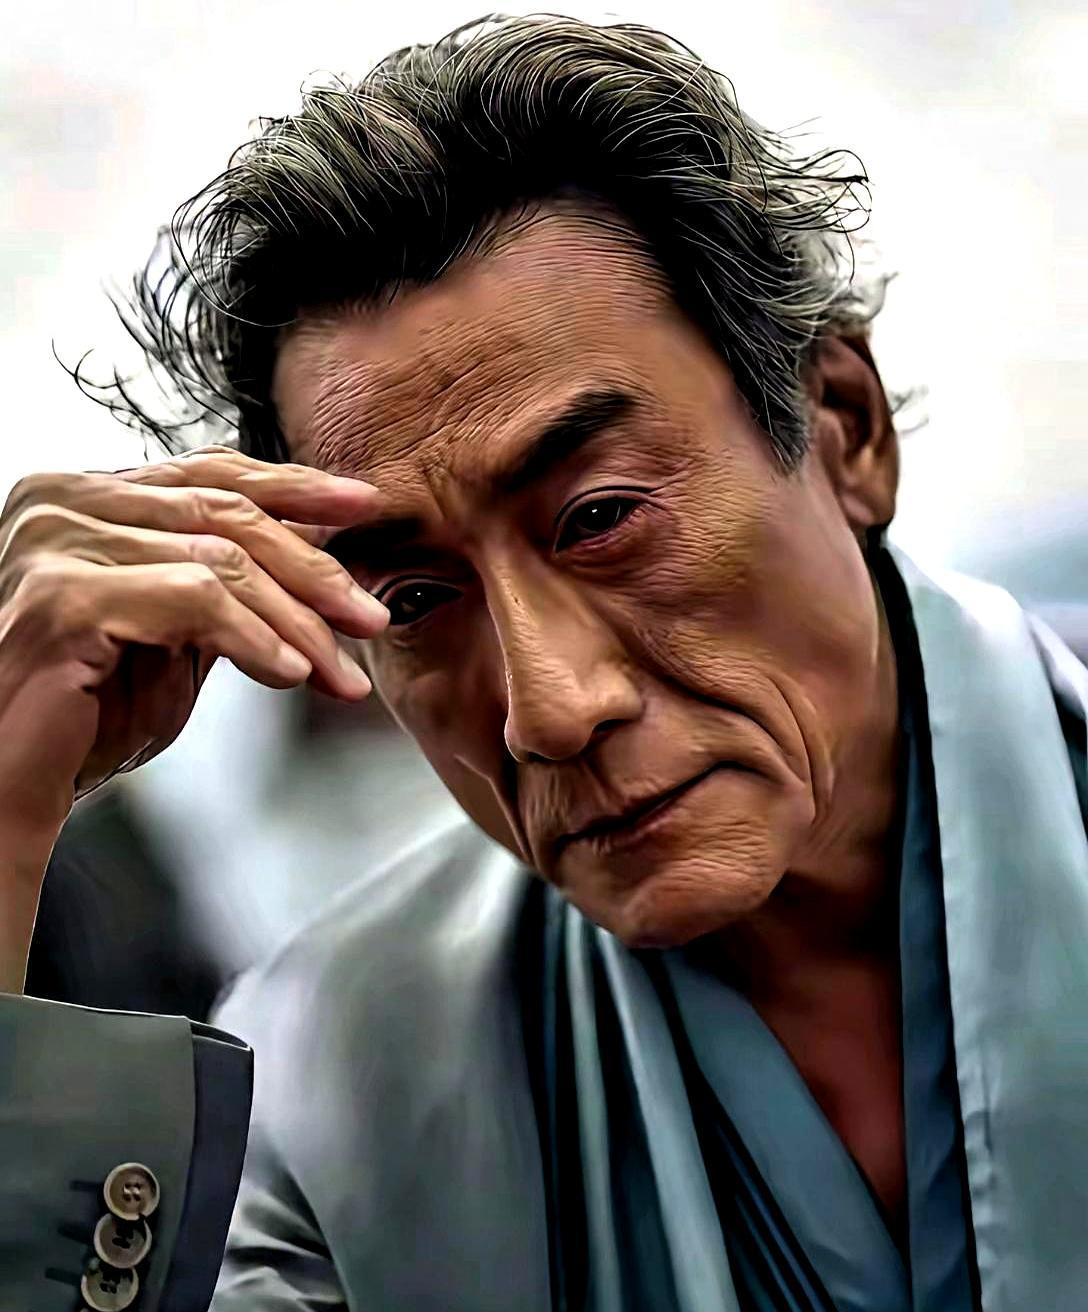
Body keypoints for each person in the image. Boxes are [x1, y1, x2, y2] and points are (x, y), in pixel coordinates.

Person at [2, 13, 1086, 1312]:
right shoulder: (338, 1090)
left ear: (843, 430)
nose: (550, 709)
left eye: (602, 517)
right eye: (414, 597)